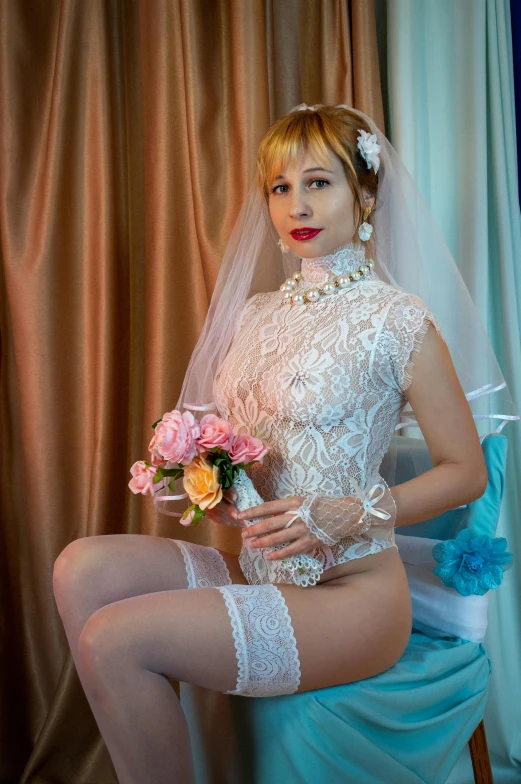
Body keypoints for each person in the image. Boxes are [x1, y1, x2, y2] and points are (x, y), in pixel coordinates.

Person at [52, 104, 507, 784]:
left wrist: (346, 513)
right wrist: (212, 482)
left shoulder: (397, 320)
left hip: (350, 595)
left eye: (319, 182)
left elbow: (464, 472)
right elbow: (250, 444)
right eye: (279, 186)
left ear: (365, 195)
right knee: (80, 566)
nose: (297, 203)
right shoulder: (256, 312)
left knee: (114, 639)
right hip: (262, 568)